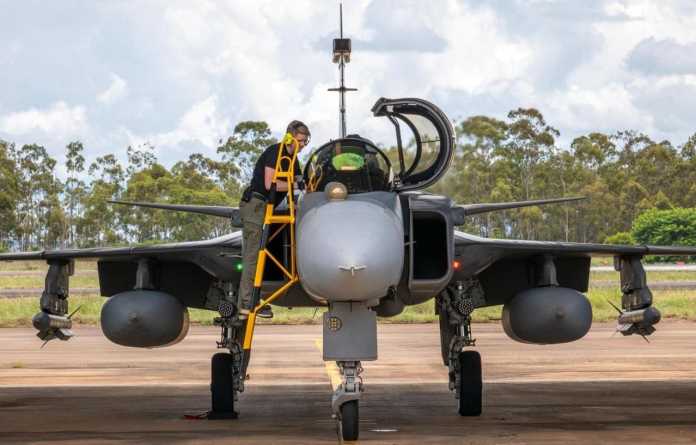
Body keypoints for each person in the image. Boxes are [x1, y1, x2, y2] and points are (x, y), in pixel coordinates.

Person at [238, 120, 310, 319]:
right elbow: (270, 184)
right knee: (253, 256)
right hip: (256, 205)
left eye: (305, 141)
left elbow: (299, 184)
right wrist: (295, 185)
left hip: (269, 208)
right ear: (289, 138)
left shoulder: (293, 159)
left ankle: (255, 299)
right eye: (300, 141)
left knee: (266, 255)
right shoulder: (275, 152)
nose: (303, 145)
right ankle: (247, 304)